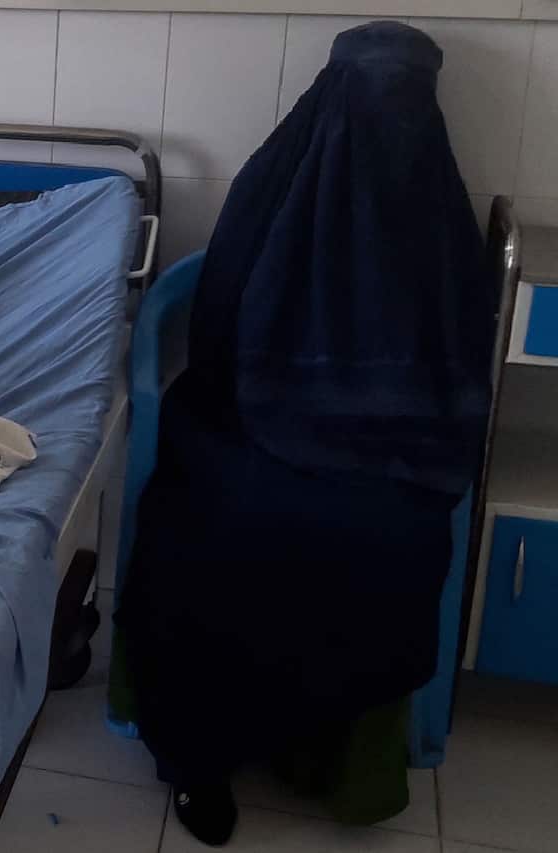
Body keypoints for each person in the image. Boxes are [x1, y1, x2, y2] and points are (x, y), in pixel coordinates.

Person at [113, 21, 493, 847]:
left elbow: (460, 358)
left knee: (392, 544)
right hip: (245, 418)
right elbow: (217, 325)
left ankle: (342, 764)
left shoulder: (436, 219)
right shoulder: (276, 185)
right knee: (214, 533)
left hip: (396, 444)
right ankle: (199, 757)